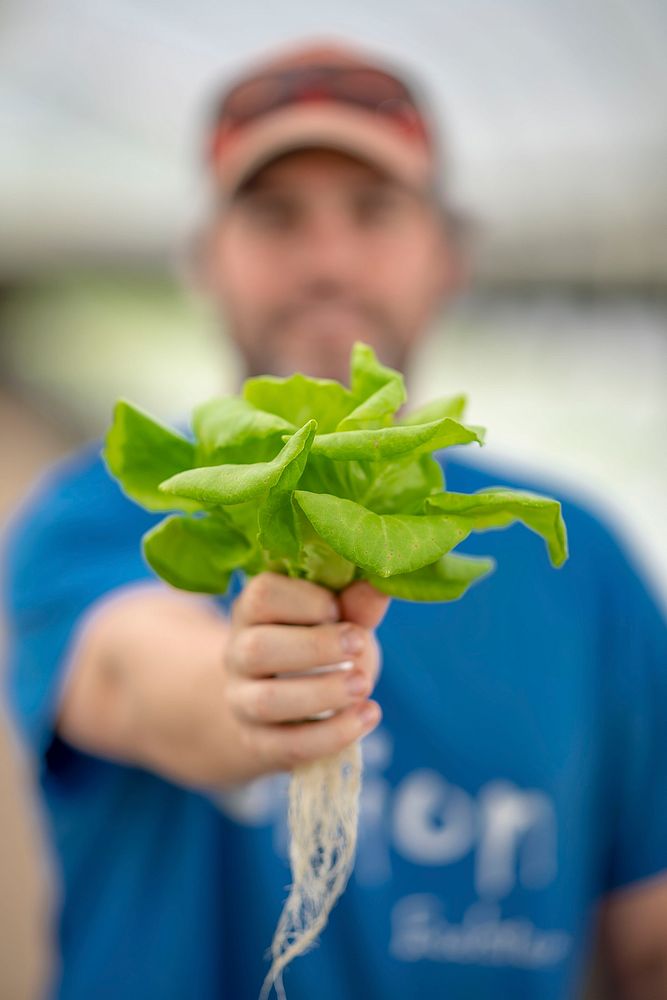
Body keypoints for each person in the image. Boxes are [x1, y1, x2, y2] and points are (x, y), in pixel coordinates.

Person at [3, 40, 667, 1000]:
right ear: (207, 262)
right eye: (276, 217)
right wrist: (246, 693)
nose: (327, 259)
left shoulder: (587, 569)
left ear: (449, 257)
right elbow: (128, 671)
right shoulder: (102, 504)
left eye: (373, 211)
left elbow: (646, 938)